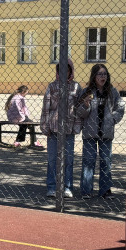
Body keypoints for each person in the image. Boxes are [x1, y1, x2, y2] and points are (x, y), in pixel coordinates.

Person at [75, 64, 124, 198]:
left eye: (105, 74)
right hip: (90, 132)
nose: (103, 77)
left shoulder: (112, 91)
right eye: (100, 74)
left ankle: (105, 190)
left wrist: (112, 119)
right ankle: (86, 190)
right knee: (88, 161)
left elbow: (120, 108)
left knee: (106, 161)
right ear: (94, 76)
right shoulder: (86, 92)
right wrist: (85, 106)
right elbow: (79, 113)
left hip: (106, 132)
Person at [41, 58, 81, 199]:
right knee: (52, 159)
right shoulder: (52, 87)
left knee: (68, 159)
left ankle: (67, 187)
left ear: (71, 71)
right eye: (61, 70)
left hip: (69, 129)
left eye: (67, 69)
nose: (64, 72)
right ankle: (52, 186)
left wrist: (77, 126)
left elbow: (79, 108)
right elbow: (46, 107)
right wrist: (45, 126)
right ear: (57, 71)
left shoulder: (76, 87)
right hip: (53, 128)